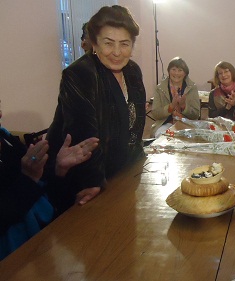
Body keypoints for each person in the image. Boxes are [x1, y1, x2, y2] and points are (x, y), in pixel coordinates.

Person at [45, 5, 146, 214]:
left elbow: (134, 127)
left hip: (120, 175)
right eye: (108, 43)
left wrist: (140, 163)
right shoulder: (80, 73)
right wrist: (93, 181)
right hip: (85, 180)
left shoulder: (133, 71)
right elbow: (86, 136)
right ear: (94, 43)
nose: (117, 52)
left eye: (124, 44)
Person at [1, 127, 98, 260]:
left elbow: (45, 195)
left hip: (48, 244)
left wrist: (59, 170)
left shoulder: (6, 139)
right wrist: (29, 178)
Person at [150, 57, 200, 138]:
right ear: (169, 71)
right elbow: (155, 114)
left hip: (186, 123)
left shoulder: (192, 88)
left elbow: (196, 115)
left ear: (185, 73)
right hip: (165, 124)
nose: (176, 73)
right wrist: (171, 107)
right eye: (173, 69)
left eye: (180, 70)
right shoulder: (159, 88)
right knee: (163, 138)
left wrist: (184, 106)